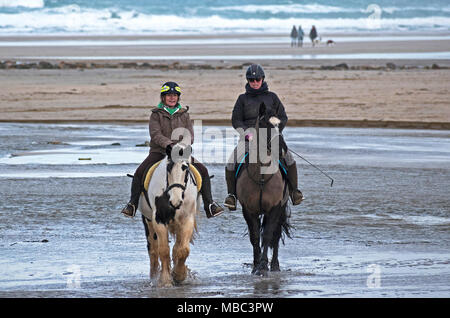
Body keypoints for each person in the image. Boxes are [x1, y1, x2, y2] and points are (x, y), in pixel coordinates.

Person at [121, 81, 224, 218]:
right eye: (168, 95)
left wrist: (181, 146)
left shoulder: (184, 114)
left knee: (203, 171)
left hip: (181, 152)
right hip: (159, 152)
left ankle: (210, 204)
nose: (172, 98)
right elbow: (156, 134)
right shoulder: (156, 114)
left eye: (175, 95)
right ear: (163, 97)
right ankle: (132, 204)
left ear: (178, 97)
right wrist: (169, 145)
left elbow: (190, 135)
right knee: (139, 172)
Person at [223, 64, 303, 210]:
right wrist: (247, 133)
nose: (255, 82)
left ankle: (294, 192)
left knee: (289, 159)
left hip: (271, 138)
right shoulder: (242, 99)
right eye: (251, 80)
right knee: (231, 163)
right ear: (248, 81)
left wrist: (274, 132)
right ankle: (232, 196)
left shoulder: (272, 97)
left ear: (262, 79)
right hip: (248, 140)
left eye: (257, 79)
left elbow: (282, 117)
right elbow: (236, 120)